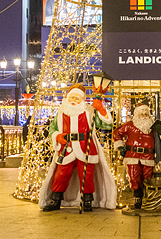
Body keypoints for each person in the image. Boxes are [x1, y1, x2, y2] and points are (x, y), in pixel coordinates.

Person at [38, 84, 117, 212]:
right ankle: (55, 200)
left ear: (82, 100)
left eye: (77, 98)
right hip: (66, 148)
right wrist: (57, 136)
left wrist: (101, 109)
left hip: (86, 147)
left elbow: (106, 125)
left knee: (87, 175)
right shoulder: (61, 112)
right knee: (61, 174)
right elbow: (53, 129)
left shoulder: (89, 111)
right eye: (72, 97)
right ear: (67, 98)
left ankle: (87, 201)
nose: (74, 100)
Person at [112, 101, 161, 209]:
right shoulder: (130, 125)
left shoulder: (153, 126)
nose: (144, 115)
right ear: (137, 114)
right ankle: (138, 197)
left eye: (146, 113)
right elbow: (117, 133)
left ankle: (147, 197)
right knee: (134, 176)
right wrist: (120, 146)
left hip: (148, 156)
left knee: (148, 177)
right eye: (142, 113)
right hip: (132, 155)